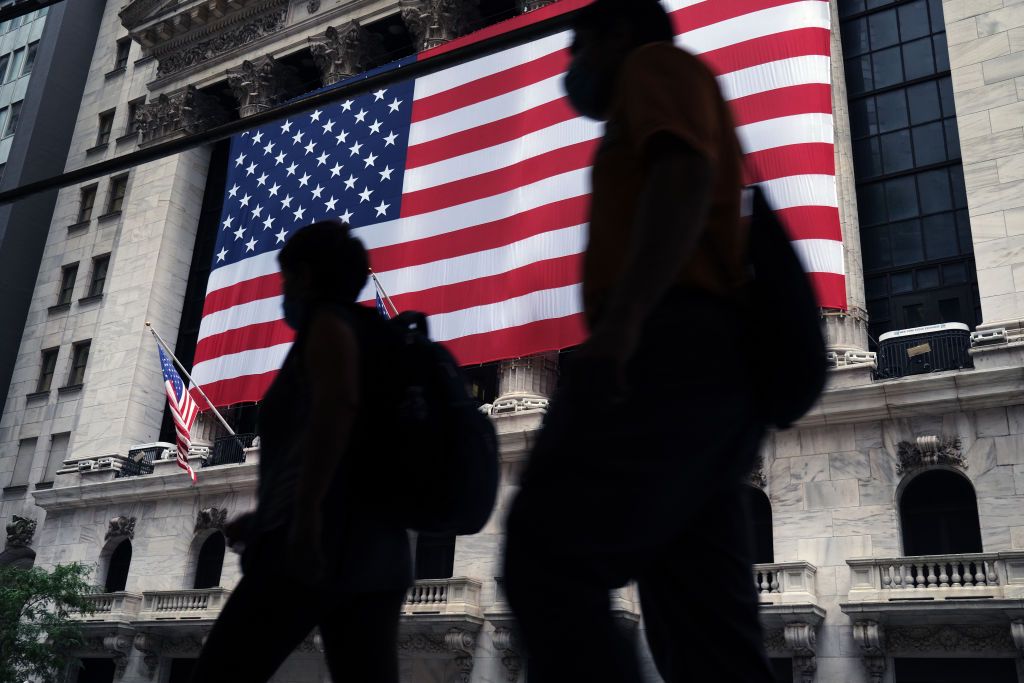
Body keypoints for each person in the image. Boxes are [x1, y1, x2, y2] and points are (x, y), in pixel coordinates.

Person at [502, 1, 775, 681]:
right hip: (700, 360)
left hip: (668, 351)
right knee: (703, 617)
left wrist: (623, 325)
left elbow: (680, 178)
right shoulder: (654, 91)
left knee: (543, 548)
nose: (571, 66)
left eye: (577, 47)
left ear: (618, 33)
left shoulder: (653, 67)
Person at [191, 221, 412, 683]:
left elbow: (337, 409)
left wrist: (305, 513)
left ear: (307, 277)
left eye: (285, 279)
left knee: (221, 673)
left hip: (309, 547)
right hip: (378, 552)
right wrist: (265, 514)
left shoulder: (328, 324)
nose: (283, 292)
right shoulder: (375, 335)